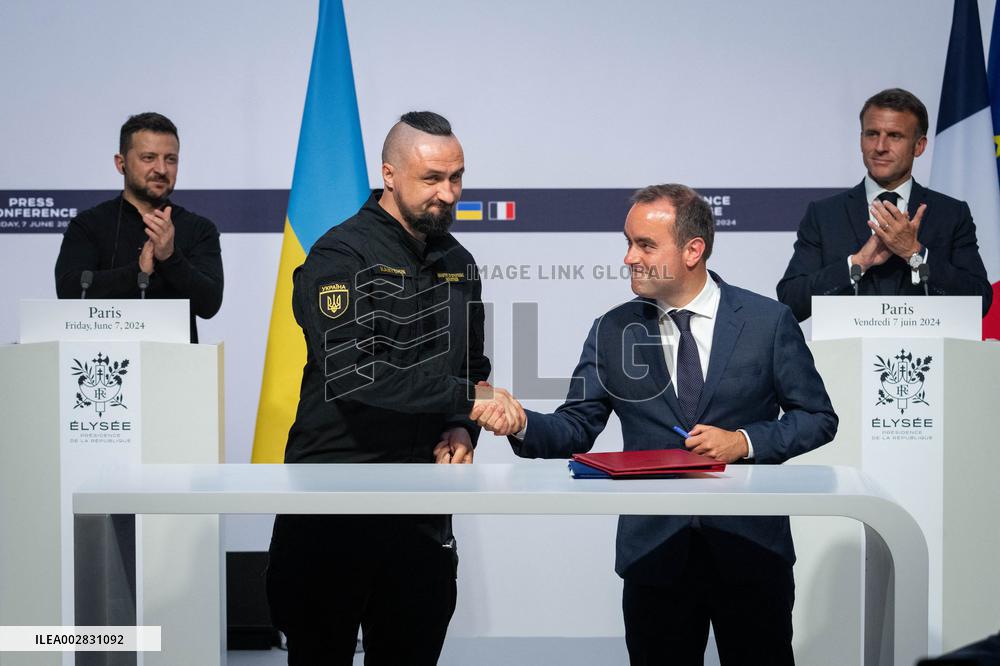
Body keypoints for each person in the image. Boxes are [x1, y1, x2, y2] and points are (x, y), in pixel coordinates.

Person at [477, 184, 838, 665]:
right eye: (628, 242)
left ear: (693, 250)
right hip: (655, 556)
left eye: (645, 245)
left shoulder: (768, 322)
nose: (629, 257)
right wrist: (520, 423)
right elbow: (576, 427)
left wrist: (745, 441)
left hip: (751, 552)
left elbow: (817, 417)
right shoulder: (613, 329)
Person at [266, 111, 511, 666]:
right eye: (431, 179)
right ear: (390, 175)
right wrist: (470, 402)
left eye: (456, 177)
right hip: (333, 498)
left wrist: (461, 426)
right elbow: (355, 372)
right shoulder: (339, 255)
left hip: (422, 509)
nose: (447, 193)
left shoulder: (459, 260)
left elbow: (473, 364)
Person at [777, 88, 992, 322]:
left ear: (919, 146)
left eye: (894, 135)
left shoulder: (950, 214)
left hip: (929, 356)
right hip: (847, 357)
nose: (880, 146)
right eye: (871, 134)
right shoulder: (824, 215)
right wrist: (857, 263)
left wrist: (915, 254)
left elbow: (979, 300)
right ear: (861, 140)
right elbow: (791, 301)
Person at [54, 112, 223, 342]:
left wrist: (171, 257)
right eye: (149, 157)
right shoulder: (88, 224)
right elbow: (68, 290)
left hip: (178, 370)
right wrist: (137, 273)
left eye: (170, 159)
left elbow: (209, 304)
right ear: (121, 163)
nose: (161, 169)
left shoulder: (200, 229)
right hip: (103, 368)